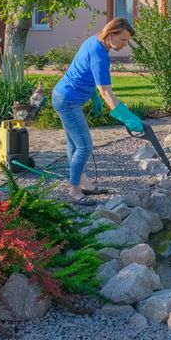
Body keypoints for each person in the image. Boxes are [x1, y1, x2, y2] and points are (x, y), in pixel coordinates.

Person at [51, 17, 144, 205]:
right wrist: (127, 117)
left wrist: (92, 96)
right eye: (123, 40)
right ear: (111, 34)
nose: (125, 45)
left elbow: (85, 71)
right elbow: (106, 92)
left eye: (127, 41)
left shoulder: (94, 41)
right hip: (68, 101)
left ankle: (82, 182)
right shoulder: (99, 54)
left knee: (75, 145)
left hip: (63, 95)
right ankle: (74, 190)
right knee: (84, 147)